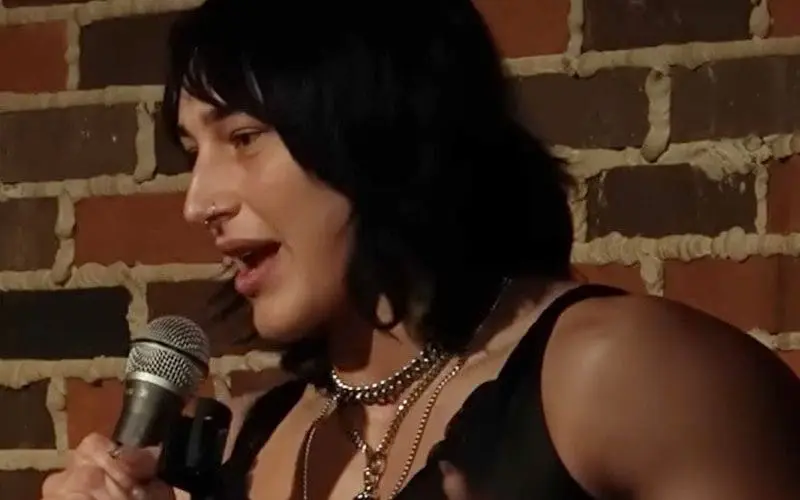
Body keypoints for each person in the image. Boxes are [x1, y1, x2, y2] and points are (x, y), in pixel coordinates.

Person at [41, 0, 800, 499]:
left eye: (243, 137)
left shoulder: (621, 375)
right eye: (191, 152)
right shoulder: (244, 443)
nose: (198, 201)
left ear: (383, 132)